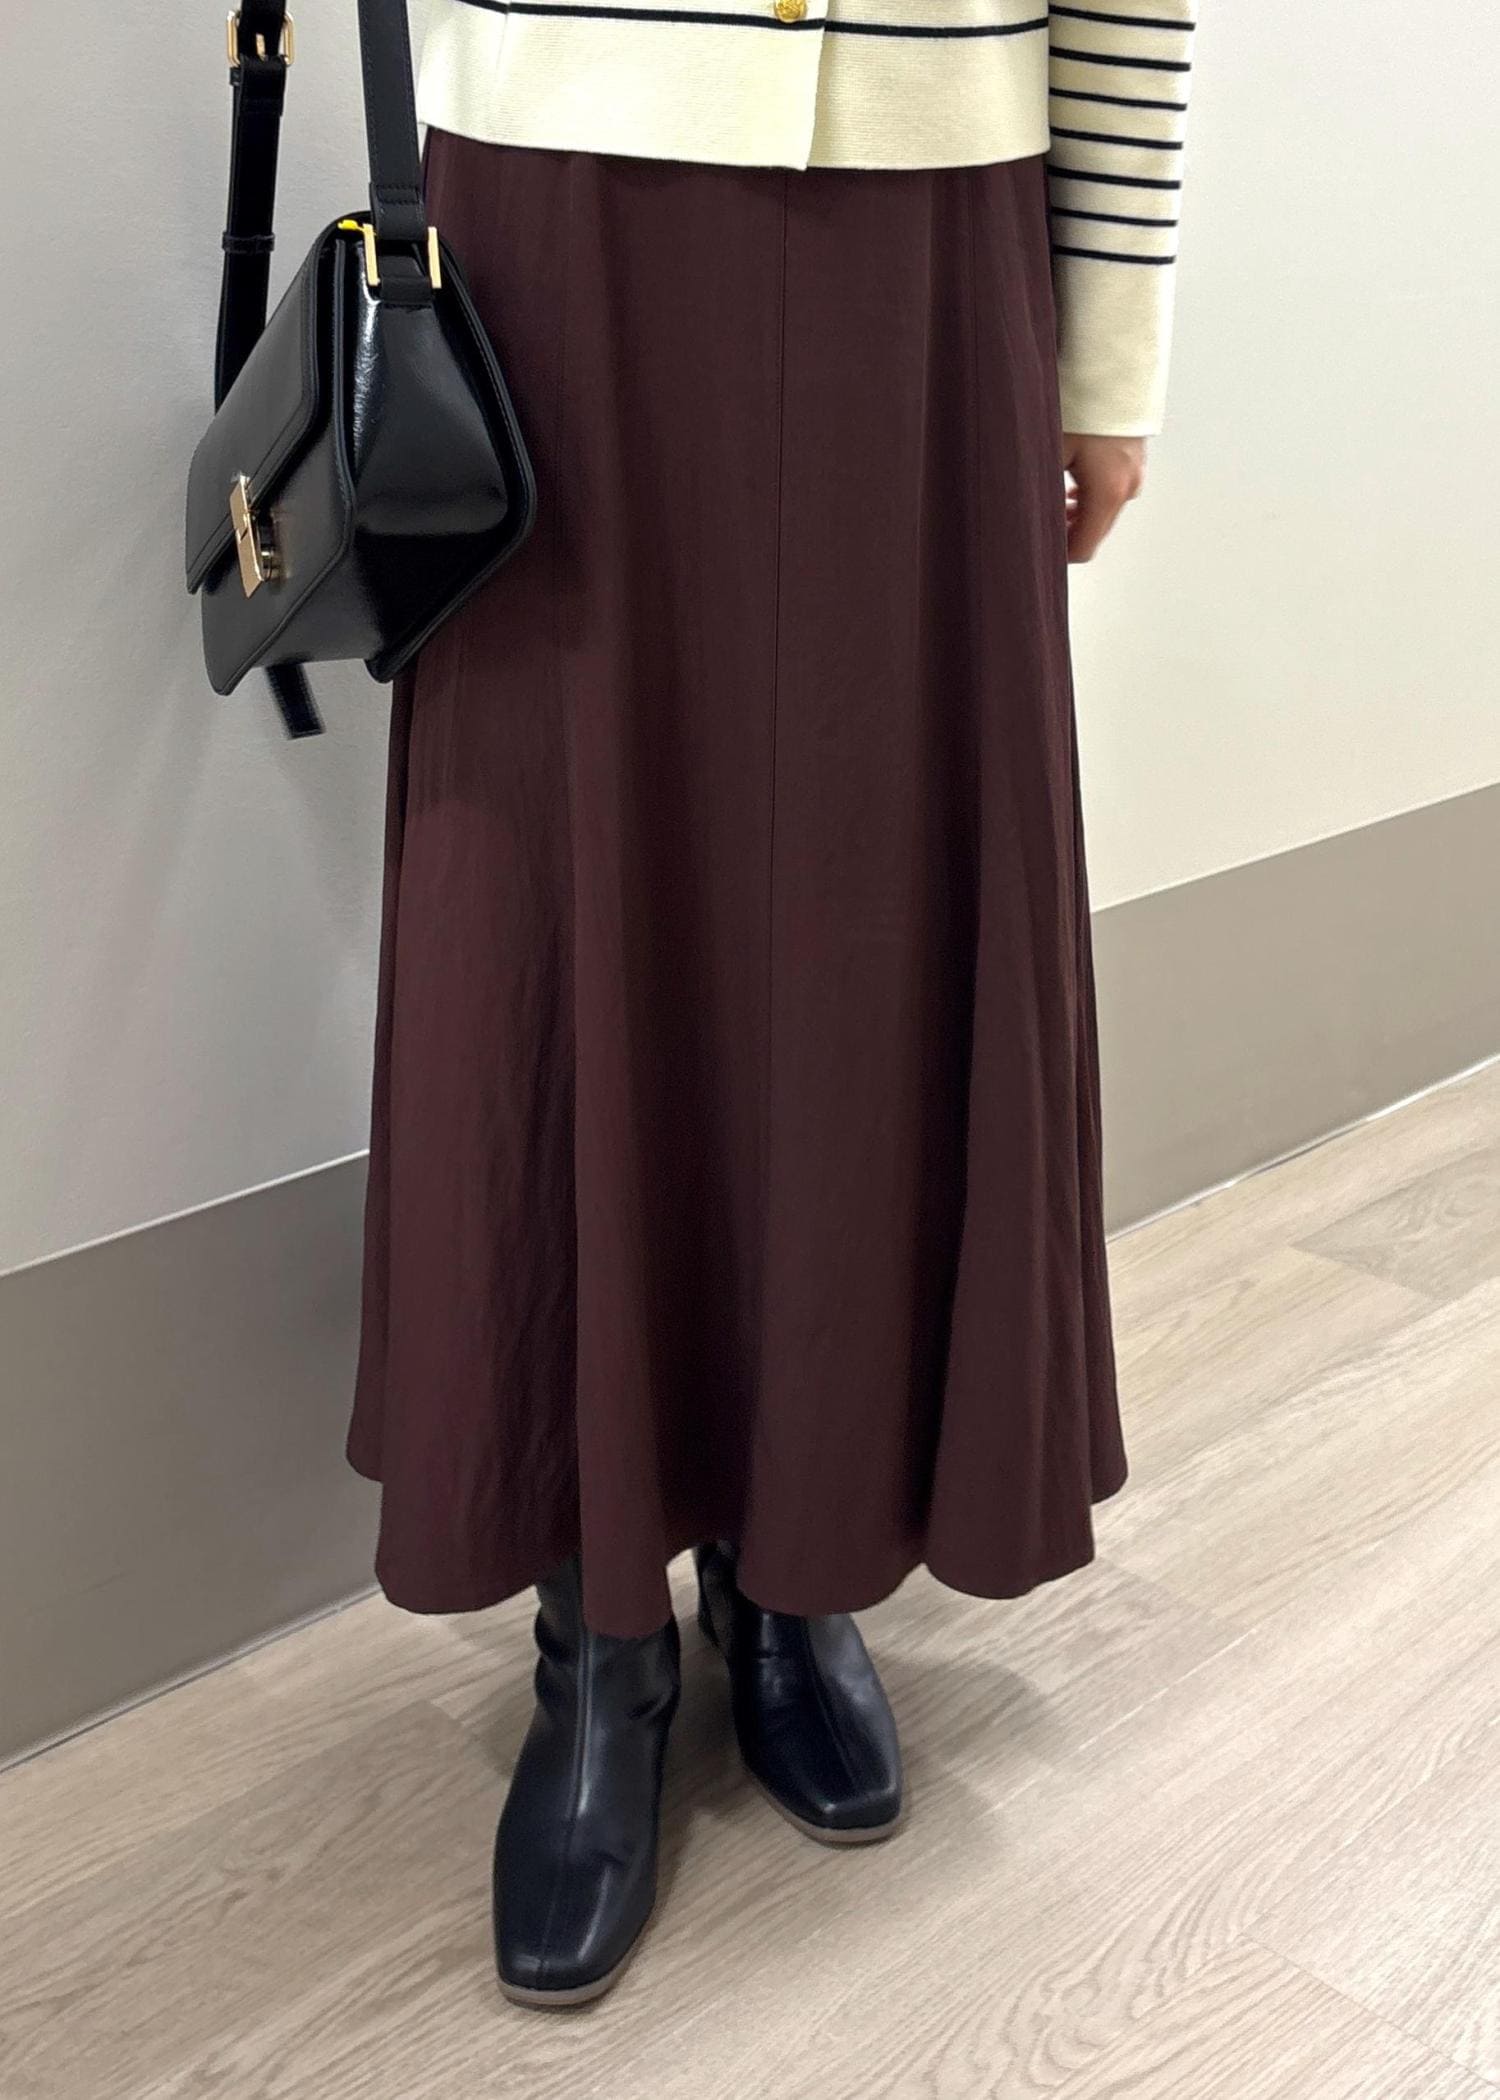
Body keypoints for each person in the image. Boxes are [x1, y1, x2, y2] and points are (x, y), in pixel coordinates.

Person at [346, 0, 1198, 2010]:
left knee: (863, 908)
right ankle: (597, 1636)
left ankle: (797, 1556)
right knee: (557, 907)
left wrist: (1107, 344)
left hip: (928, 206)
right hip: (560, 193)